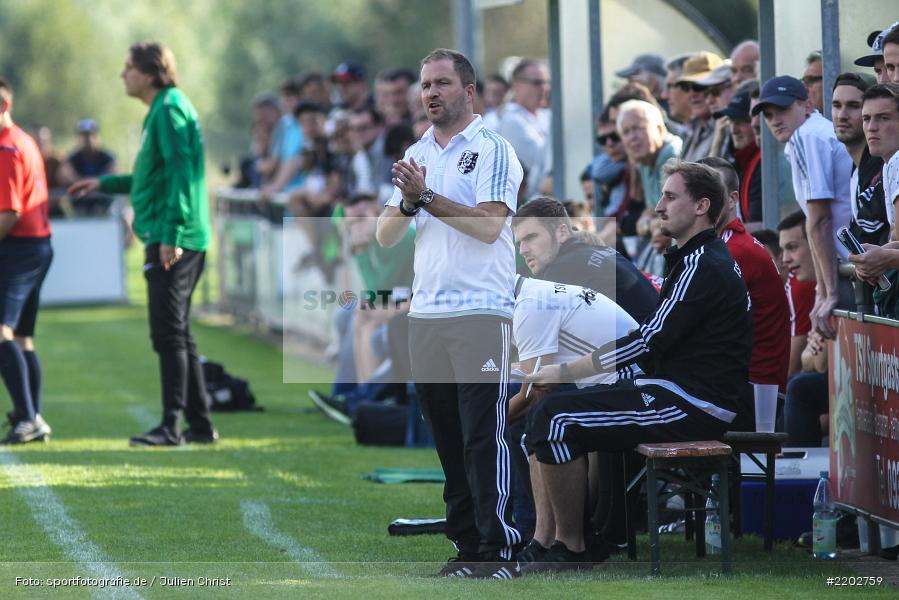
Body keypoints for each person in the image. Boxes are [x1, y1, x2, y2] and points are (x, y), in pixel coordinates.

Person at [522, 160, 752, 572]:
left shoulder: (704, 263)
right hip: (676, 391)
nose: (658, 205)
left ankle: (572, 549)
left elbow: (649, 339)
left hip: (692, 403)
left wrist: (567, 372)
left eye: (669, 196)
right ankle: (569, 540)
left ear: (701, 206)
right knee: (551, 413)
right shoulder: (692, 256)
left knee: (554, 417)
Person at [376, 48, 523, 577]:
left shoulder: (493, 149)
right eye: (425, 84)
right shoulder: (418, 152)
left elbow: (488, 226)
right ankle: (467, 548)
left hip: (482, 312)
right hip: (429, 313)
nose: (430, 93)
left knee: (485, 434)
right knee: (447, 435)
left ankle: (500, 548)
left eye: (441, 83)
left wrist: (426, 195)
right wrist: (411, 201)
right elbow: (385, 233)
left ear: (469, 91)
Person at [68, 41, 216, 446]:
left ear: (150, 73)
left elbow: (183, 174)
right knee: (179, 332)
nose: (123, 75)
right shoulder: (166, 107)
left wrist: (171, 233)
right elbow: (156, 177)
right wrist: (106, 183)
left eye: (128, 68)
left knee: (167, 334)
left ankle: (171, 426)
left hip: (175, 236)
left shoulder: (168, 109)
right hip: (182, 232)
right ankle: (200, 426)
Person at [753, 75, 853, 338]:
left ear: (807, 106)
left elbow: (820, 220)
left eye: (783, 110)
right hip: (857, 257)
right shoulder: (814, 132)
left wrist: (827, 293)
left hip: (856, 263)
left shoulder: (806, 137)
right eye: (768, 114)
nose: (775, 120)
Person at [700, 157, 790, 395]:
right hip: (740, 382)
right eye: (698, 193)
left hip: (753, 391)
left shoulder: (734, 251)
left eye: (713, 192)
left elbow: (694, 329)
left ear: (732, 199)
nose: (704, 202)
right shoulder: (723, 246)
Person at [0, 79, 53, 444]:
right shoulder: (24, 139)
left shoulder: (6, 148)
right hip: (38, 246)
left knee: (2, 333)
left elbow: (9, 212)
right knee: (23, 338)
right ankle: (31, 414)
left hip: (19, 248)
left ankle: (29, 418)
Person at [512, 197, 658, 324]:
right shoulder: (601, 251)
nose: (523, 250)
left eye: (530, 237)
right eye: (519, 244)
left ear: (562, 233)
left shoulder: (561, 269)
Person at [831, 72, 889, 248]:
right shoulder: (857, 170)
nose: (842, 115)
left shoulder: (882, 166)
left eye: (853, 106)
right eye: (836, 105)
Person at [498, 59, 552, 199]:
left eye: (547, 82)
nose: (544, 88)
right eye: (537, 83)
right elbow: (543, 159)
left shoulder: (547, 115)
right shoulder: (512, 121)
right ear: (516, 84)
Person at [777, 211, 817, 378]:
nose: (785, 259)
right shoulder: (797, 279)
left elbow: (790, 368)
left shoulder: (801, 286)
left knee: (798, 384)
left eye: (792, 247)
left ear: (815, 242)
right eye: (783, 250)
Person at [715, 81, 761, 221]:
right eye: (731, 122)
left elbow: (761, 225)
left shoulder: (764, 163)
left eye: (741, 122)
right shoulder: (740, 162)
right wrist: (716, 144)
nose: (734, 130)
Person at [676, 52, 723, 162]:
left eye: (699, 86)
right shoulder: (694, 129)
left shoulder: (728, 129)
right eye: (686, 87)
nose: (692, 94)